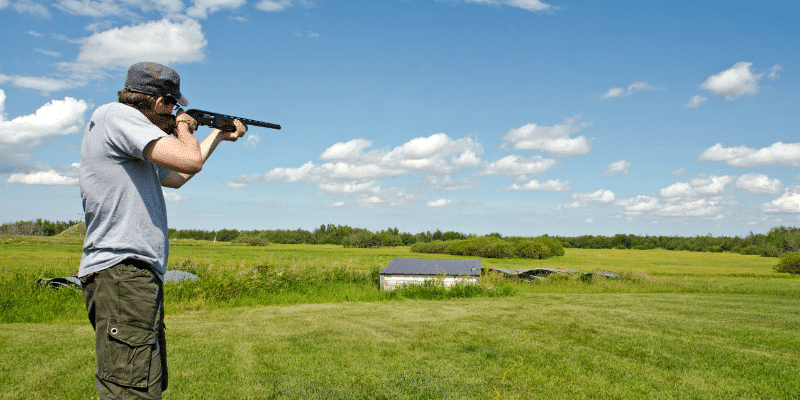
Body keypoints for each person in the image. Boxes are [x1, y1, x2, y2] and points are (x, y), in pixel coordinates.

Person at [78, 61, 247, 399]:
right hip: (123, 271)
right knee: (131, 389)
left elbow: (178, 176)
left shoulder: (130, 141)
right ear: (159, 103)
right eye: (173, 107)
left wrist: (215, 136)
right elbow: (190, 160)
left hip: (132, 275)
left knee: (146, 382)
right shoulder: (117, 116)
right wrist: (185, 127)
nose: (175, 113)